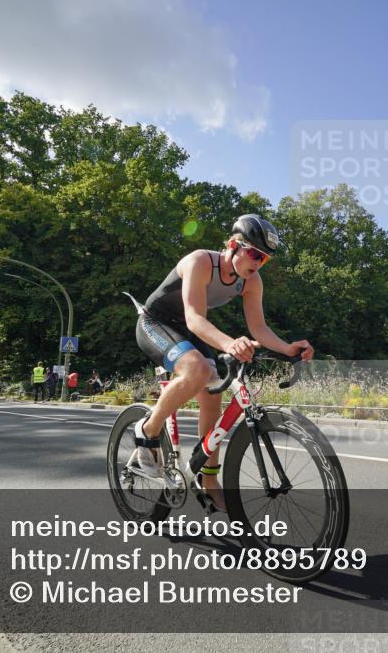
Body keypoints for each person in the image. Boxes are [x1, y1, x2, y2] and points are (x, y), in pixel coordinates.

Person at [133, 214, 314, 511]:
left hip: (189, 329)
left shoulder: (251, 281)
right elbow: (194, 317)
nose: (258, 263)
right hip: (157, 322)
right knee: (198, 369)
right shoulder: (200, 262)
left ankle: (208, 478)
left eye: (265, 259)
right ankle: (148, 430)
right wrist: (230, 343)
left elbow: (259, 329)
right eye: (255, 254)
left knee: (213, 391)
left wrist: (289, 348)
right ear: (233, 245)